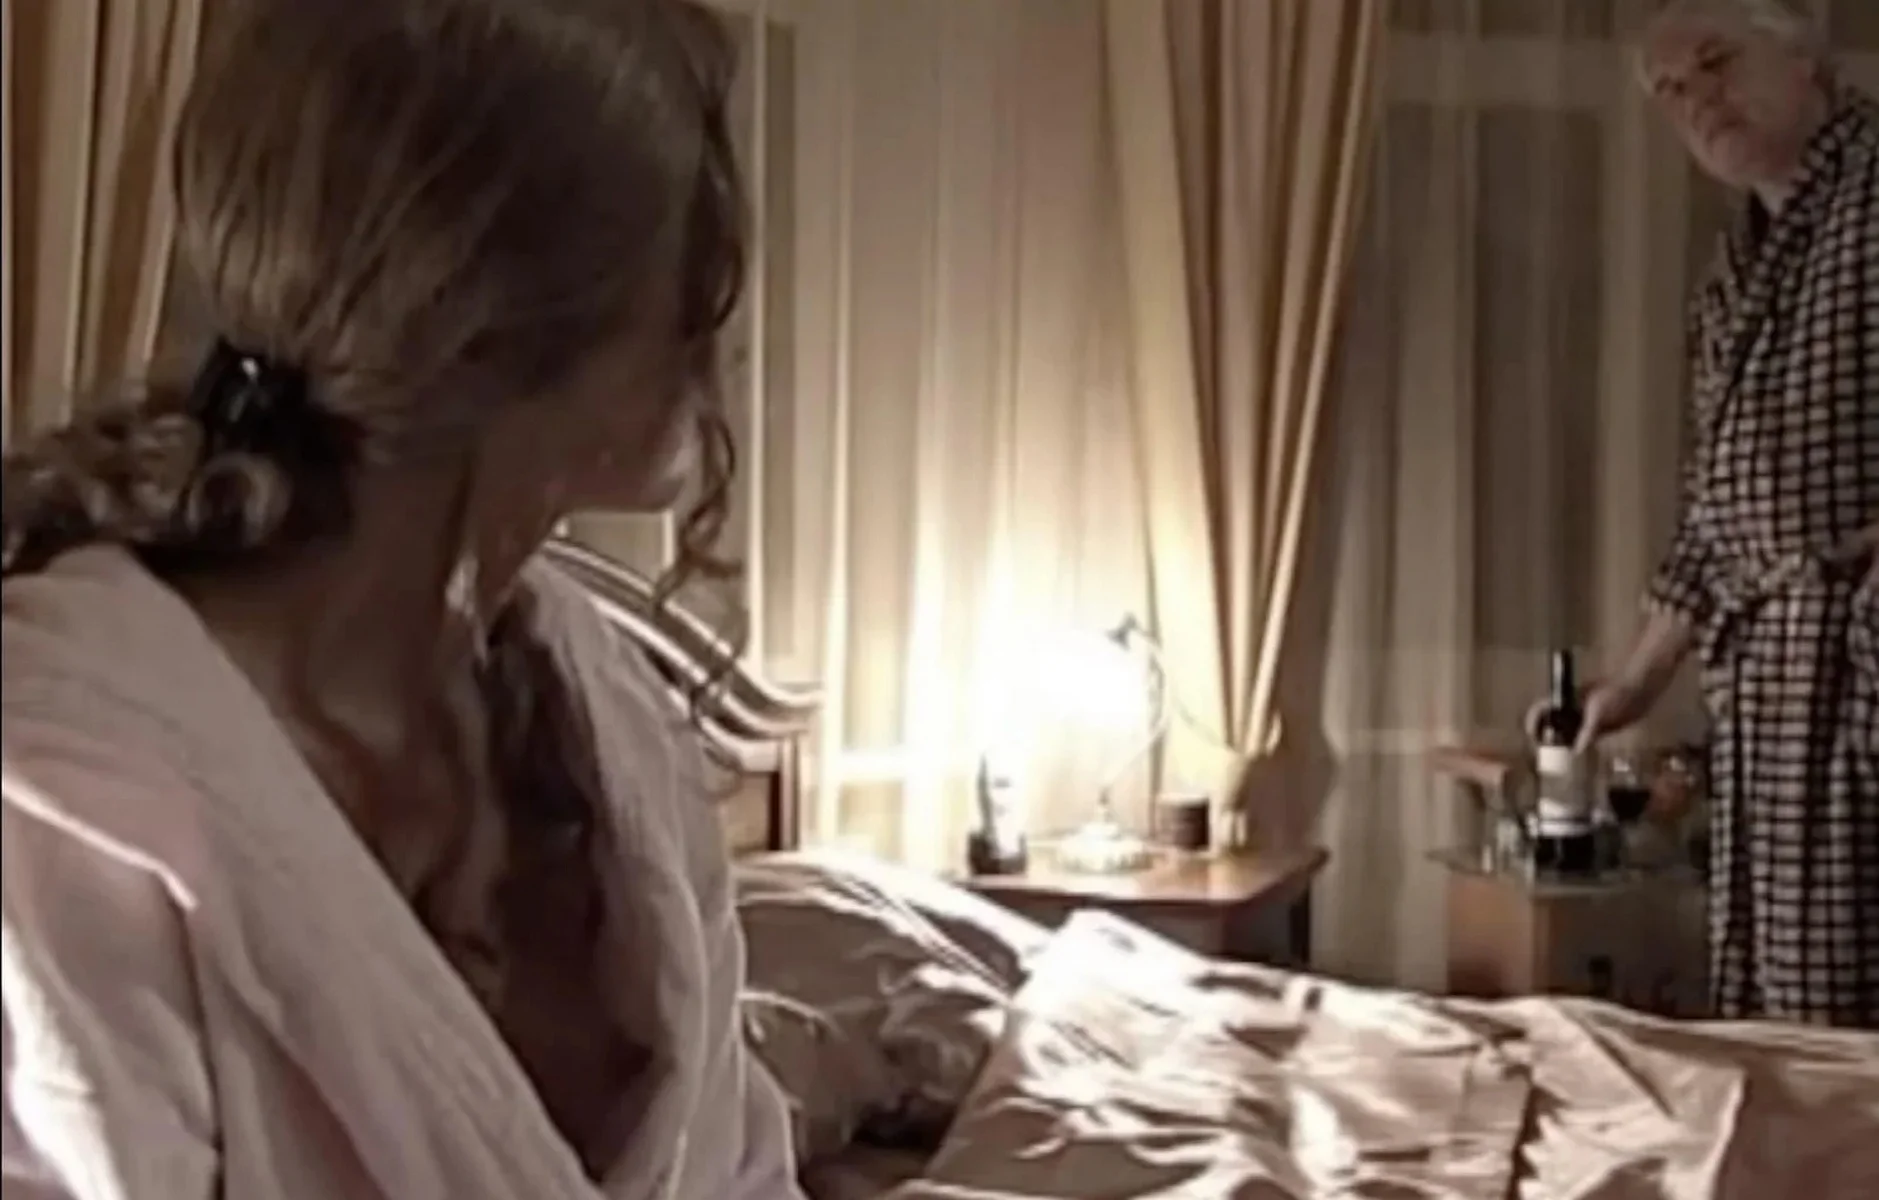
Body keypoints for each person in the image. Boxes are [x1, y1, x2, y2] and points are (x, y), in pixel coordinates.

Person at [1, 1, 803, 1196]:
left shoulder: (610, 719)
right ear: (500, 327)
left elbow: (742, 1171)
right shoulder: (73, 791)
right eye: (684, 270)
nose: (719, 327)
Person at [1578, 0, 1879, 1027]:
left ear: (1805, 61)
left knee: (1848, 1010)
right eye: (1671, 90)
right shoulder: (1737, 264)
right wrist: (1630, 682)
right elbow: (1718, 508)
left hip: (1855, 655)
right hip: (1766, 677)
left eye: (1716, 63)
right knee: (1777, 1001)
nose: (1695, 101)